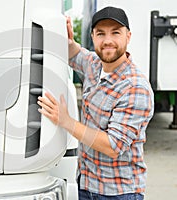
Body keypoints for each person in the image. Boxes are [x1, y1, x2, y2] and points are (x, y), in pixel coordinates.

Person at [37, 6, 154, 200]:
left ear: (128, 36)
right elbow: (74, 54)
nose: (108, 40)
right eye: (101, 33)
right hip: (87, 184)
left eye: (115, 33)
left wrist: (66, 121)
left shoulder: (135, 87)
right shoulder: (95, 65)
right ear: (93, 37)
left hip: (118, 193)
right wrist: (66, 40)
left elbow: (112, 146)